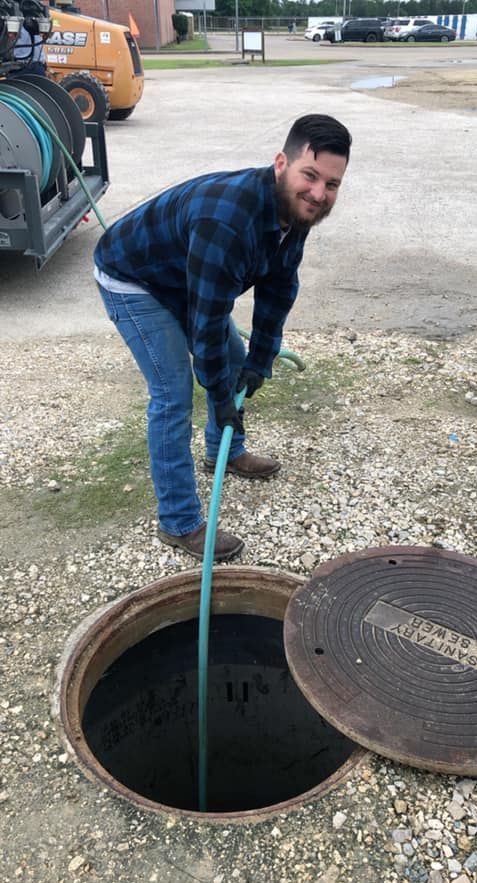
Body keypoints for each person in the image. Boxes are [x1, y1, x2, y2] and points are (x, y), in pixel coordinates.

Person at [94, 113, 351, 562]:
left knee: (234, 363)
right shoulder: (228, 220)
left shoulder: (296, 212)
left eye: (331, 185)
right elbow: (208, 318)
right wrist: (221, 399)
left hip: (181, 277)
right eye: (310, 176)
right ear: (280, 164)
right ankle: (178, 522)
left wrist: (260, 360)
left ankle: (223, 452)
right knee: (173, 394)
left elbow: (279, 288)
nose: (318, 193)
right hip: (132, 277)